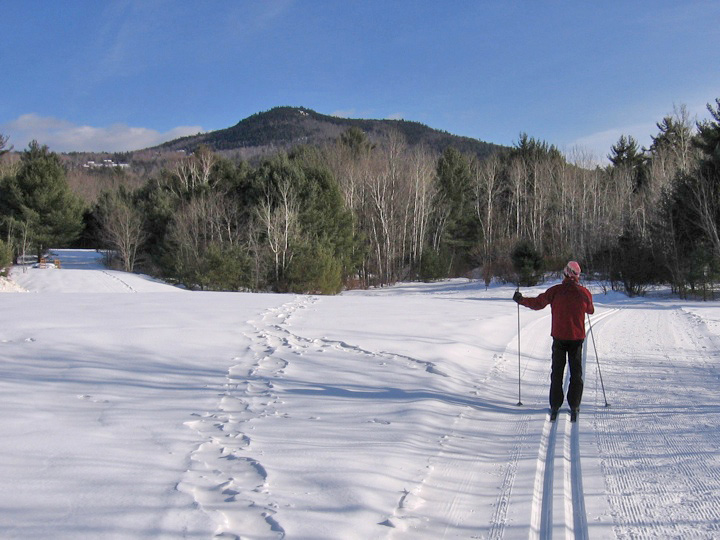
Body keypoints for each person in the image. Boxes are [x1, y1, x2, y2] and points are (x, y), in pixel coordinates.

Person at [513, 261, 594, 422]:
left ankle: (555, 404)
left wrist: (521, 300)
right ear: (577, 276)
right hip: (576, 339)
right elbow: (590, 310)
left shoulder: (555, 291)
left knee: (557, 372)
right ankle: (574, 404)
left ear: (565, 274)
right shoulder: (584, 292)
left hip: (559, 338)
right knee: (576, 372)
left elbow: (538, 304)